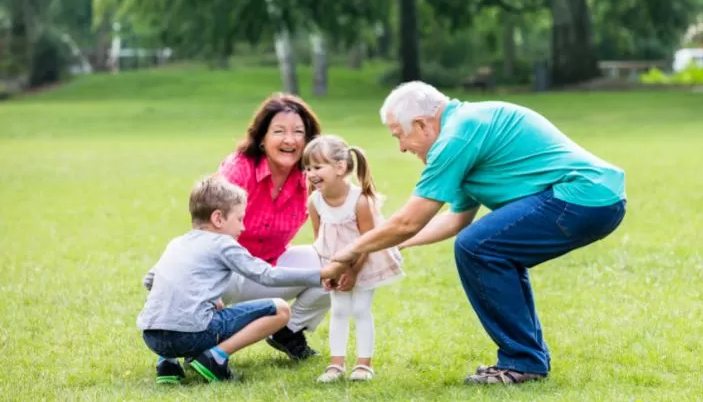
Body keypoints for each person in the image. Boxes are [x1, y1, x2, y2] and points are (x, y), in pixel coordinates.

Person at [326, 81, 627, 385]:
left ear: (421, 124)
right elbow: (455, 219)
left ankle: (523, 361)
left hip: (581, 196)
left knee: (478, 246)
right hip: (596, 198)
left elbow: (408, 222)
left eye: (399, 135)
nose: (401, 147)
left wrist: (349, 252)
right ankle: (526, 359)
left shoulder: (457, 135)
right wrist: (388, 247)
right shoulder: (464, 129)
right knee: (487, 247)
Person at [136, 174, 346, 384]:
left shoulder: (177, 243)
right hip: (191, 335)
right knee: (281, 309)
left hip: (152, 337)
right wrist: (321, 274)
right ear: (218, 218)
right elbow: (267, 275)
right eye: (239, 219)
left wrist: (207, 299)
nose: (243, 227)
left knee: (181, 312)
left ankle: (168, 363)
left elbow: (150, 280)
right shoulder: (223, 244)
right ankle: (214, 359)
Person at [218, 93, 327, 360]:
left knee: (336, 261)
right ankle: (202, 340)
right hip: (223, 273)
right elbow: (209, 232)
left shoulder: (311, 177)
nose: (289, 140)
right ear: (262, 139)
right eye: (279, 131)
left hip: (268, 269)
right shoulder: (239, 169)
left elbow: (331, 229)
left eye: (298, 132)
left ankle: (288, 332)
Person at [302, 135, 403, 383]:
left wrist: (354, 271)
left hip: (364, 263)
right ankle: (336, 364)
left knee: (359, 309)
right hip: (334, 265)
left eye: (317, 167)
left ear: (340, 167)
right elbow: (320, 240)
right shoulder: (315, 201)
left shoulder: (360, 201)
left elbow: (368, 242)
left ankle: (363, 364)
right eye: (307, 168)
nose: (311, 173)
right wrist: (327, 271)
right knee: (338, 310)